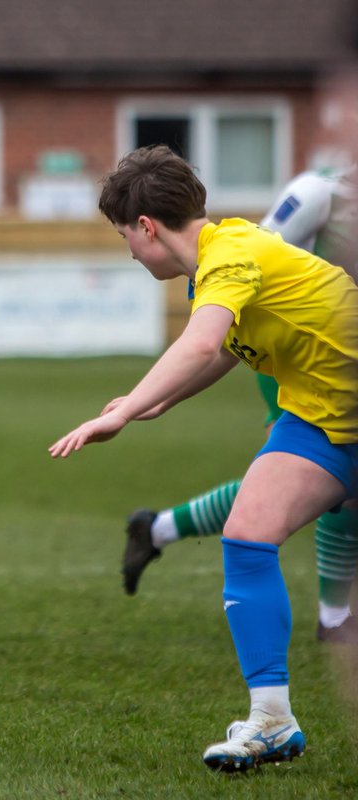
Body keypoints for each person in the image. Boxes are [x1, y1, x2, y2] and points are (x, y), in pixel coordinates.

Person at [50, 145, 358, 773]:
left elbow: (200, 342)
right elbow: (222, 350)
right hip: (324, 418)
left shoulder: (232, 255)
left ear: (146, 227)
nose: (130, 253)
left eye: (124, 238)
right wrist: (158, 404)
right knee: (247, 535)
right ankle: (272, 722)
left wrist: (126, 408)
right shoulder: (213, 266)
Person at [121, 165, 358, 644]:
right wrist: (141, 403)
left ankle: (159, 528)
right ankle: (334, 619)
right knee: (301, 477)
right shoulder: (319, 191)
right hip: (294, 348)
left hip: (329, 349)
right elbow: (251, 262)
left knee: (312, 483)